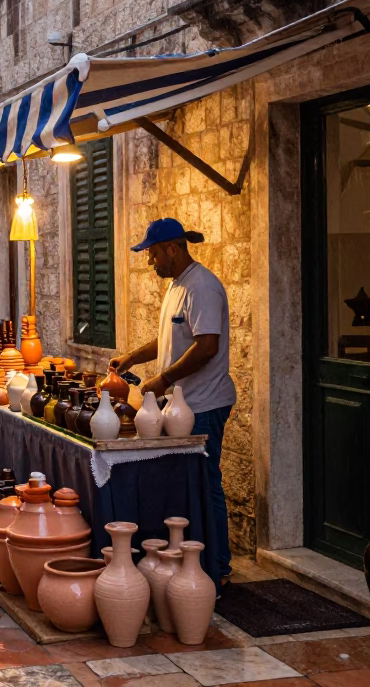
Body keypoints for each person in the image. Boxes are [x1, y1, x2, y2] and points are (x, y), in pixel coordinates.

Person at [108, 218, 237, 582]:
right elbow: (168, 340)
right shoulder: (177, 287)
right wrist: (133, 357)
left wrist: (162, 381)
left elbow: (206, 347)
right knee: (184, 485)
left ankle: (218, 567)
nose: (150, 263)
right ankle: (192, 557)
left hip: (204, 404)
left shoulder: (203, 287)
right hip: (184, 402)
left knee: (206, 483)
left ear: (173, 249)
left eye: (151, 254)